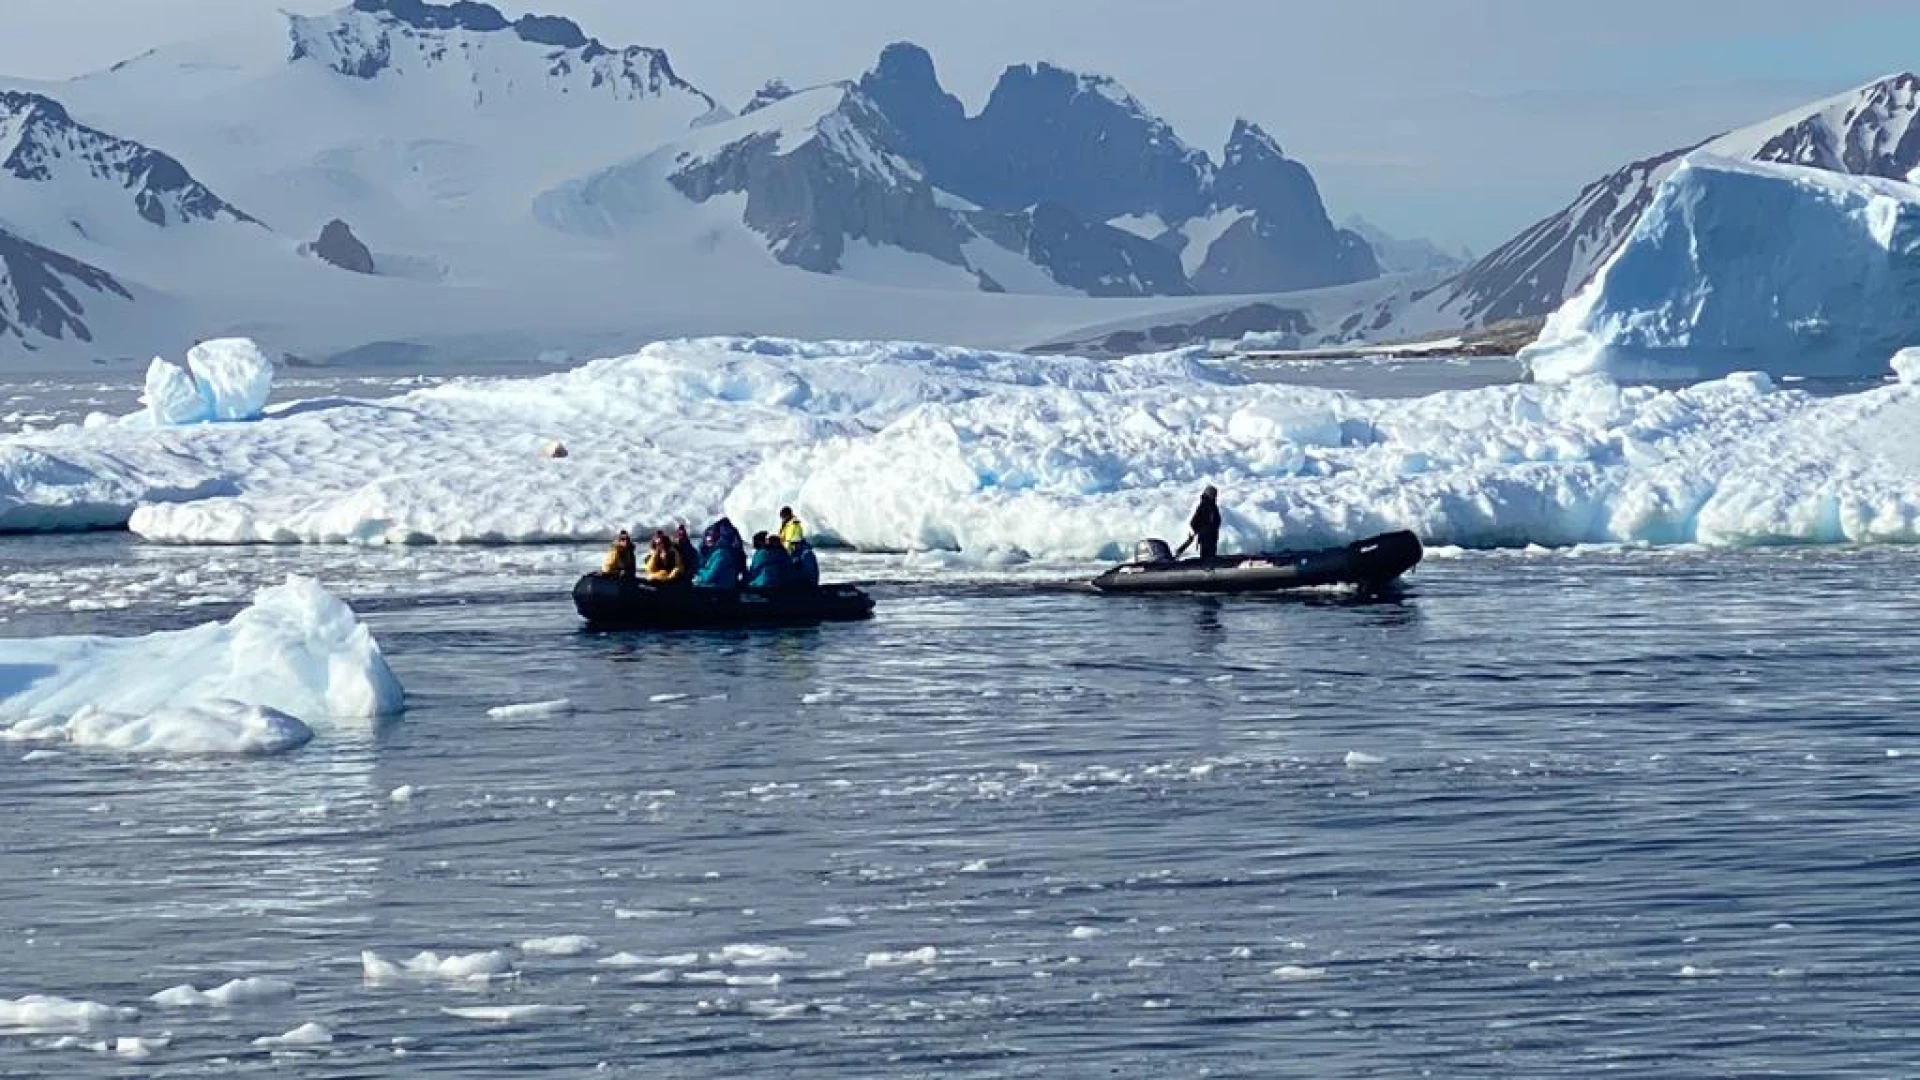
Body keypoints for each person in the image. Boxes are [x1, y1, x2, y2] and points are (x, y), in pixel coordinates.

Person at [693, 518, 746, 589]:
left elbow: (709, 577)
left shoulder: (722, 553)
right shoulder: (730, 551)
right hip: (725, 589)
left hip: (719, 591)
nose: (707, 538)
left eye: (710, 535)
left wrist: (698, 571)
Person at [1182, 485, 1222, 560]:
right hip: (1206, 538)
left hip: (1212, 537)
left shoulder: (1213, 506)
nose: (1214, 496)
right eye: (1212, 494)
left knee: (1211, 556)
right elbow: (1193, 522)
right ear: (1208, 494)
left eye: (1215, 494)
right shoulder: (1203, 506)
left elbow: (1216, 520)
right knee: (1206, 557)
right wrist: (1202, 530)